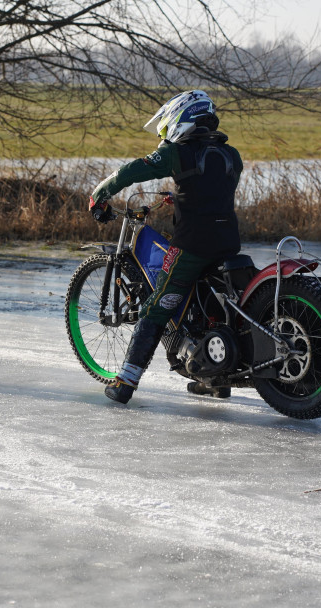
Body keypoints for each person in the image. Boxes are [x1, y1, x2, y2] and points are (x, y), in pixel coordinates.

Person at [89, 90, 243, 404]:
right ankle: (213, 378)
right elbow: (211, 192)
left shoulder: (178, 154)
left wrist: (99, 194)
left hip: (191, 247)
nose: (164, 135)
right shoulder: (232, 155)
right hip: (228, 243)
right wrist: (182, 197)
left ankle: (125, 381)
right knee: (213, 310)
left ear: (180, 120)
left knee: (156, 307)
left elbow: (131, 171)